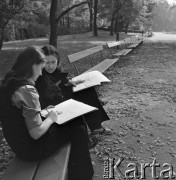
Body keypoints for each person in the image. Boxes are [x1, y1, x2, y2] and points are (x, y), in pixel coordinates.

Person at [0, 46, 94, 180]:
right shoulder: (27, 90)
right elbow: (36, 133)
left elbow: (18, 115)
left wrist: (42, 112)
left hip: (18, 144)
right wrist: (50, 118)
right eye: (41, 68)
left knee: (77, 123)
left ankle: (80, 173)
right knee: (78, 129)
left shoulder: (9, 81)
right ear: (32, 65)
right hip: (32, 148)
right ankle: (82, 176)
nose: (40, 73)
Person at [35, 45, 110, 135]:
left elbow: (62, 79)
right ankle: (86, 131)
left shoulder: (56, 69)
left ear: (57, 60)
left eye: (53, 62)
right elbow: (39, 96)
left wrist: (70, 81)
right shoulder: (38, 74)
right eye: (47, 63)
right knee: (84, 97)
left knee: (87, 91)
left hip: (60, 95)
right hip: (51, 103)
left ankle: (96, 127)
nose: (50, 66)